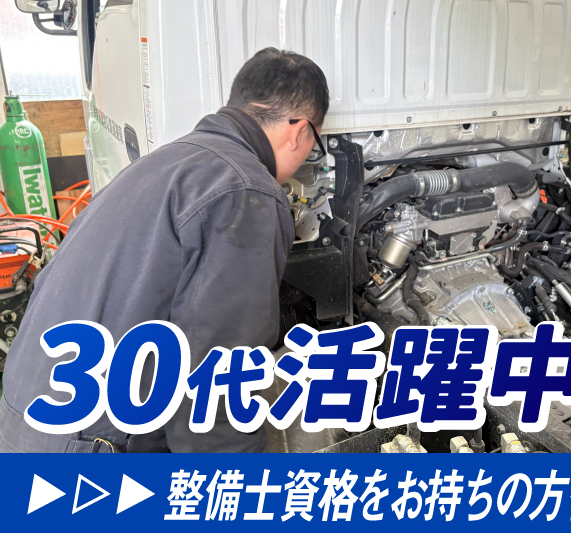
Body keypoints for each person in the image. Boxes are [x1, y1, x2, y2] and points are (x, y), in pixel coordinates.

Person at [0, 48, 329, 453]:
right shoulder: (246, 192)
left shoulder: (168, 162)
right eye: (315, 145)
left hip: (25, 419)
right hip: (87, 452)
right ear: (299, 131)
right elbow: (213, 396)